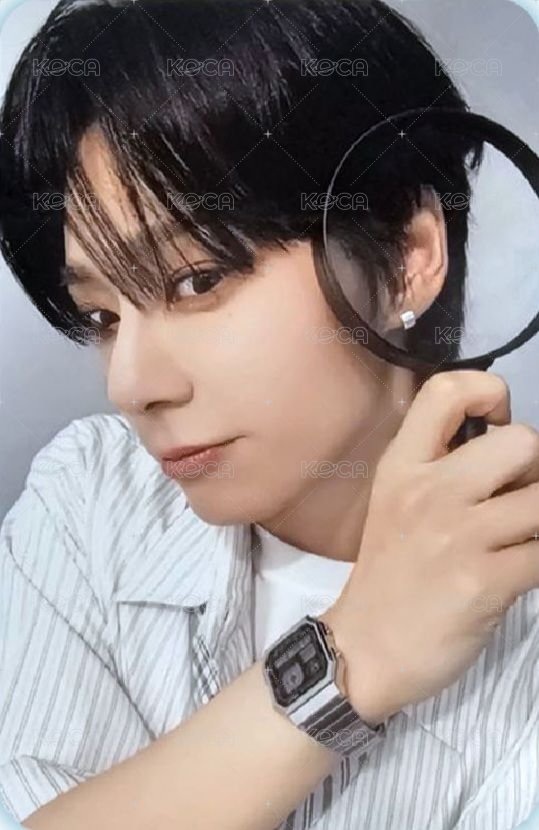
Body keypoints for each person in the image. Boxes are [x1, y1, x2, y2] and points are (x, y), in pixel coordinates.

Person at [0, 0, 539, 828]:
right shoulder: (93, 495)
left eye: (198, 279)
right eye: (102, 316)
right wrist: (355, 653)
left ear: (405, 256)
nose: (130, 385)